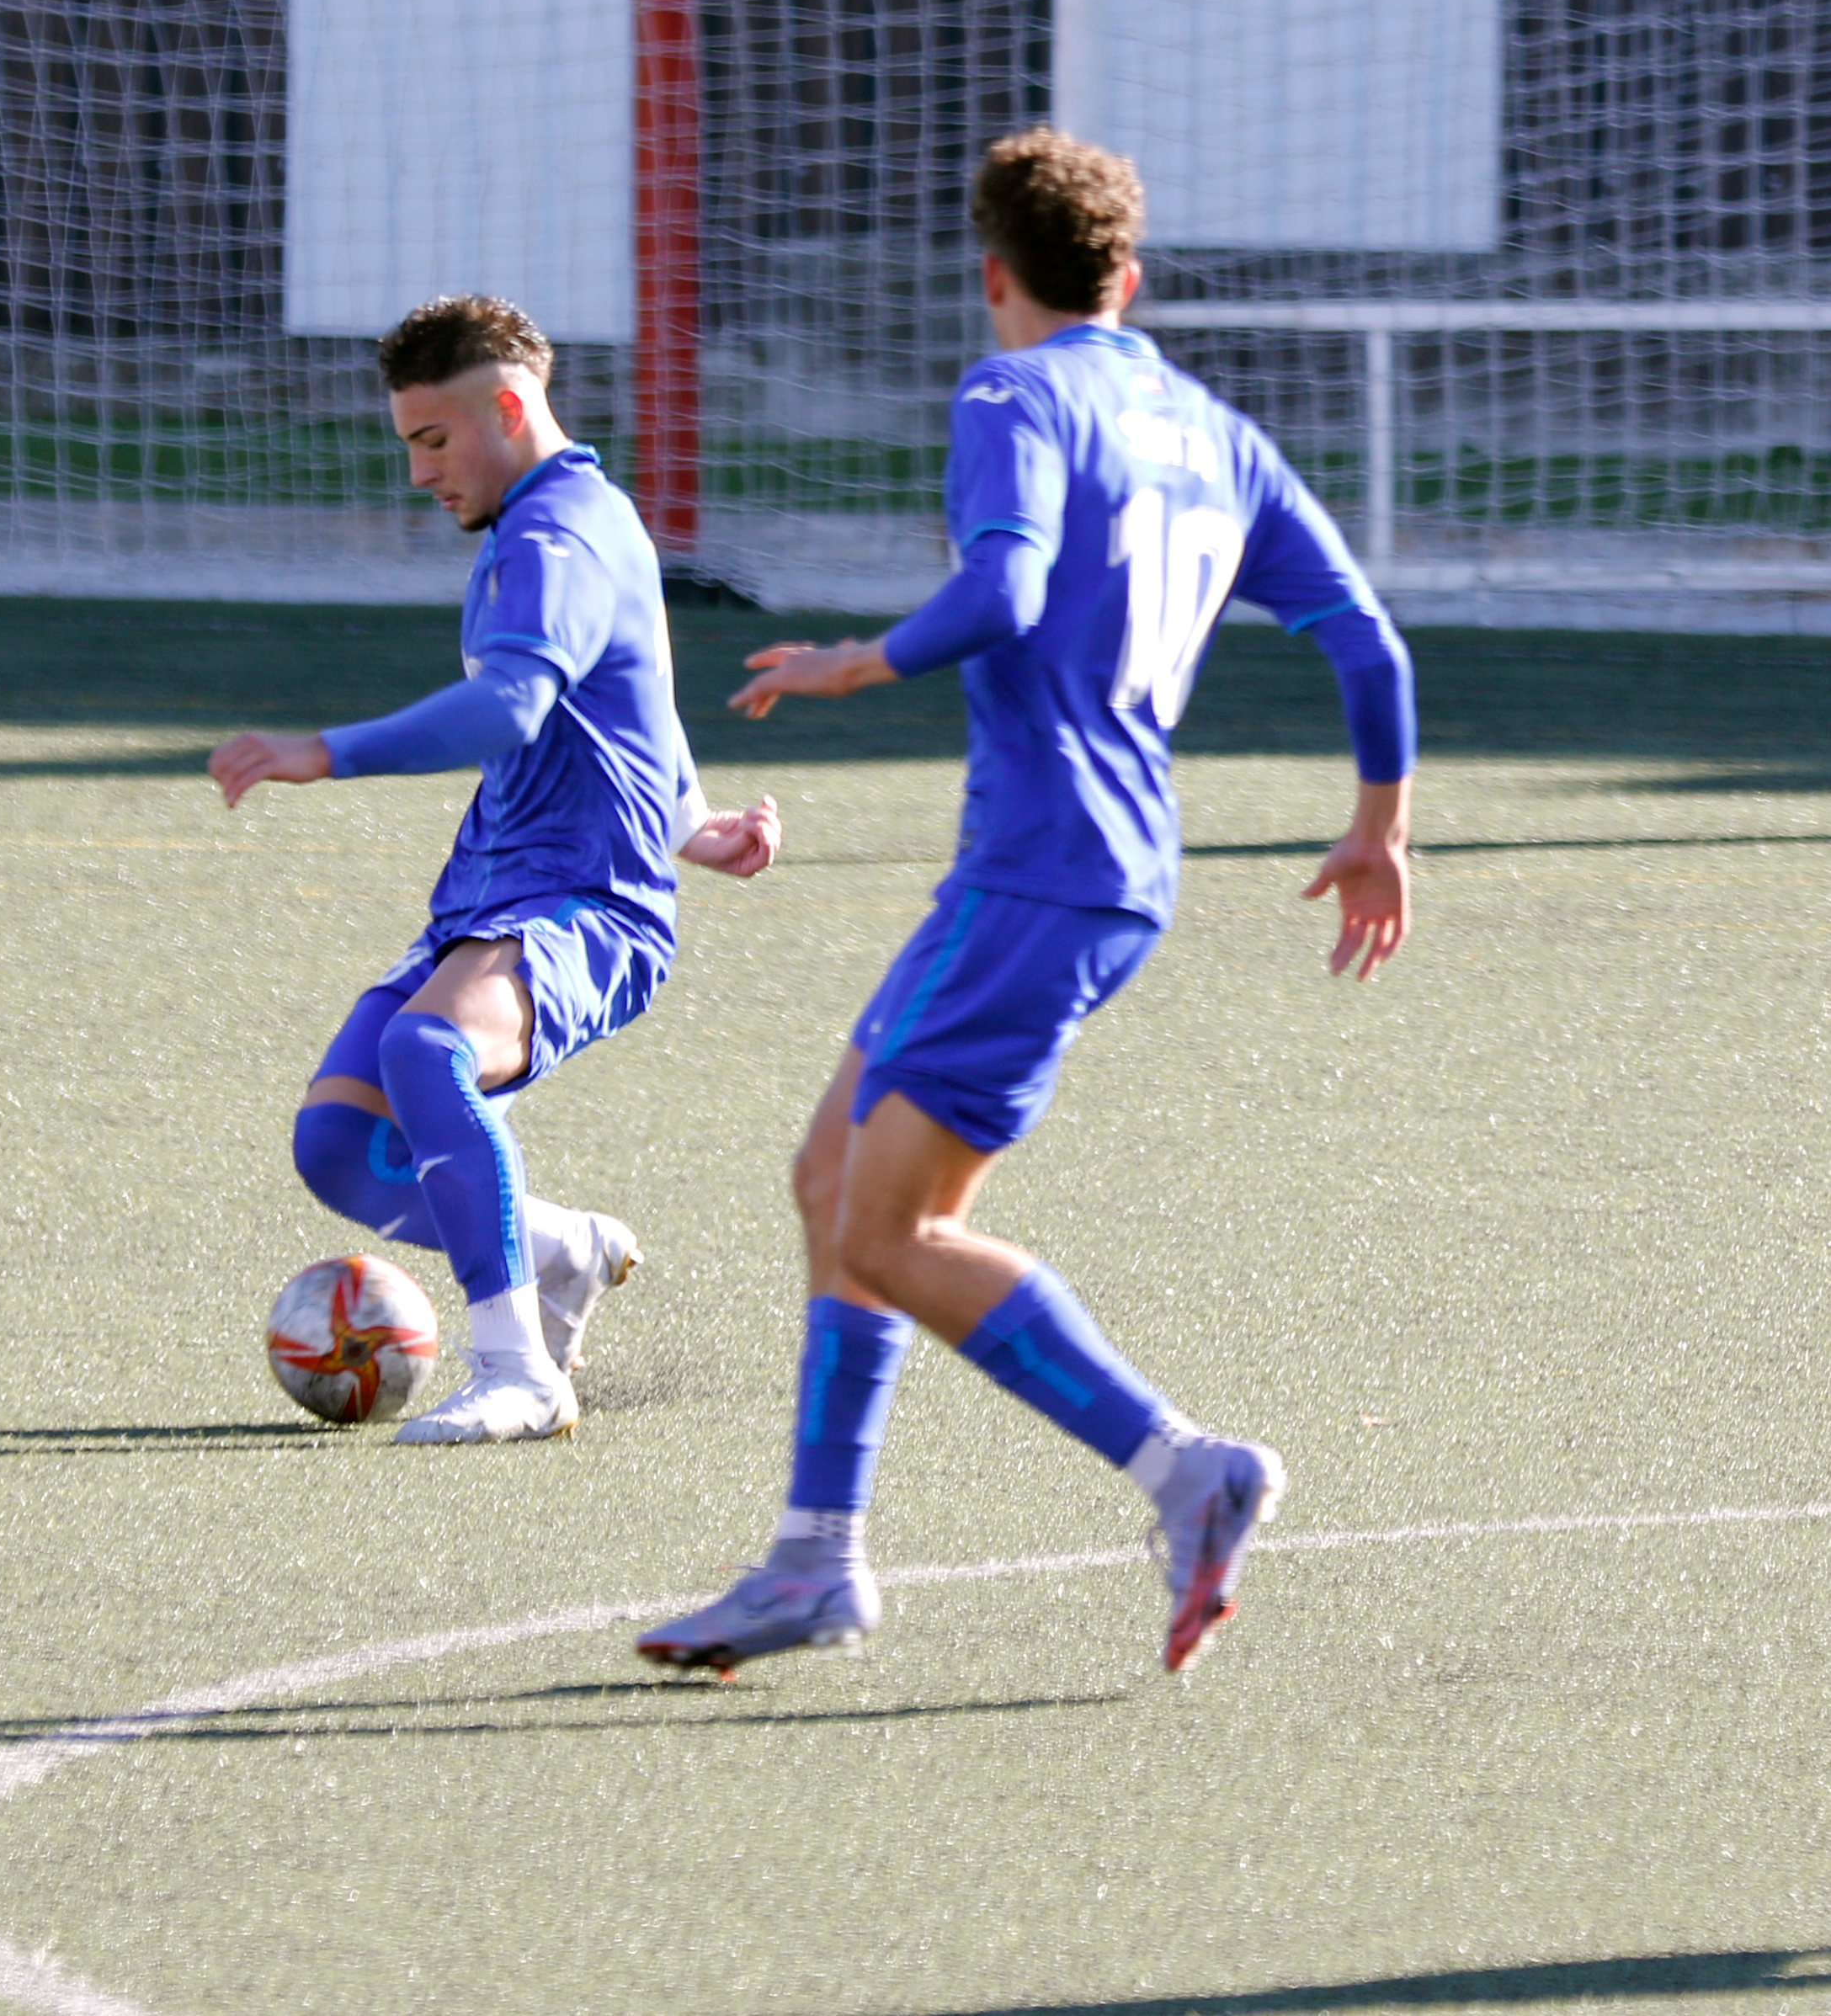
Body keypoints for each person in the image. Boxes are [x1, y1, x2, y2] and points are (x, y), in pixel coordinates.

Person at [635, 129, 1414, 1679]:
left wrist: (846, 660)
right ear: (1125, 278)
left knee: (894, 1223)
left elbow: (999, 588)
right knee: (827, 1179)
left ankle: (1183, 1466)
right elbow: (1368, 643)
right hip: (1074, 870)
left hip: (1044, 874)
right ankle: (813, 1559)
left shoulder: (1010, 393)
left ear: (992, 274)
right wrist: (1378, 831)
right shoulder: (1213, 431)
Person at [210, 295, 783, 1446]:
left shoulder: (555, 534)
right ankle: (562, 1248)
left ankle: (519, 1370)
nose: (418, 472)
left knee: (429, 1049)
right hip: (493, 894)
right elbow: (632, 701)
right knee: (338, 1143)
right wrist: (691, 823)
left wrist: (326, 752)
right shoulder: (567, 520)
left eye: (432, 440)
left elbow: (515, 704)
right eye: (407, 443)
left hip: (584, 903)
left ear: (510, 406)